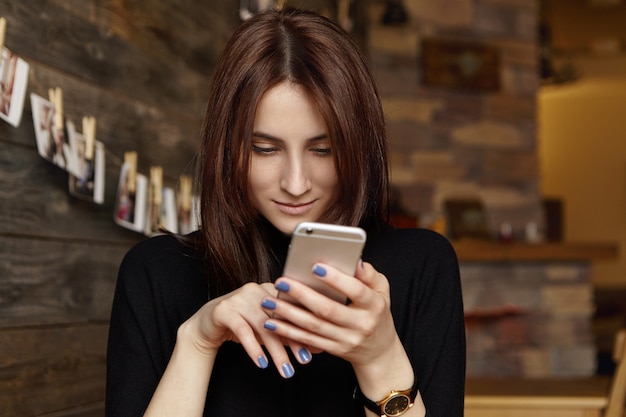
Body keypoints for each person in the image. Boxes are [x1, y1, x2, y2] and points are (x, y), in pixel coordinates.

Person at [105, 7, 465, 417]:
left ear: (357, 146)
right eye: (265, 149)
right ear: (227, 150)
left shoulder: (421, 265)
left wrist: (379, 356)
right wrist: (197, 341)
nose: (296, 183)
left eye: (322, 149)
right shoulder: (155, 272)